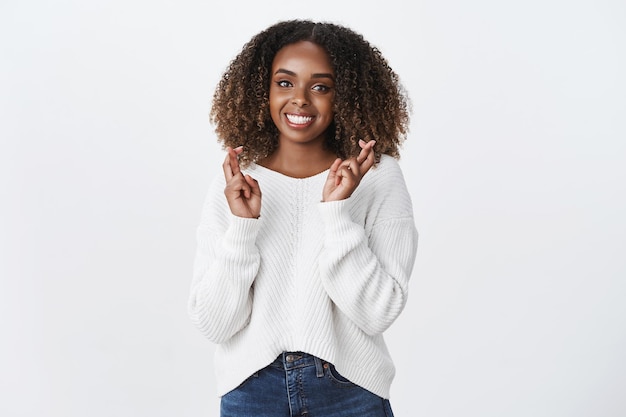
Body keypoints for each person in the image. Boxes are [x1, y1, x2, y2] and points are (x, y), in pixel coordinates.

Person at [188, 19, 418, 417]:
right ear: (262, 90)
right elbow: (215, 324)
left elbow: (377, 313)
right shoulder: (237, 182)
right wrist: (242, 230)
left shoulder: (377, 178)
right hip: (251, 392)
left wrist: (336, 214)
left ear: (345, 96)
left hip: (351, 391)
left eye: (320, 87)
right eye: (285, 83)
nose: (300, 100)